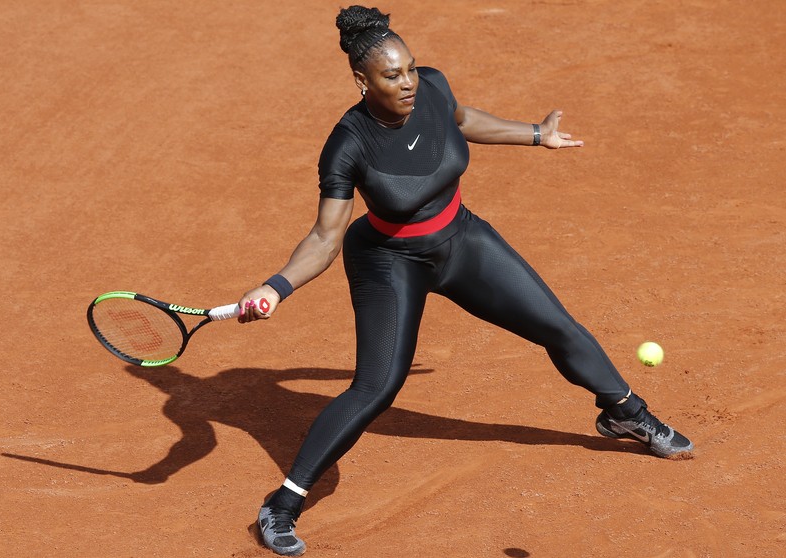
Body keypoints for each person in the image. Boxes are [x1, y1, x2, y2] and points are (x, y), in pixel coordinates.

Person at [237, 5, 694, 556]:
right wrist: (275, 287)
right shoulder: (348, 144)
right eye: (391, 75)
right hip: (389, 261)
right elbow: (324, 239)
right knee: (377, 386)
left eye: (409, 68)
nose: (407, 82)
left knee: (558, 326)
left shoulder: (430, 87)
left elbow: (462, 120)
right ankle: (281, 504)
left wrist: (534, 134)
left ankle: (624, 412)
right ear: (362, 80)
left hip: (461, 240)